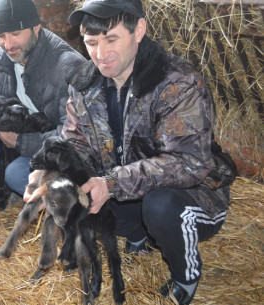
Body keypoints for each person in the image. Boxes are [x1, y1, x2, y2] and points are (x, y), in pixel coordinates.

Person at [26, 0, 237, 304]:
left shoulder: (176, 81)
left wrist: (110, 184)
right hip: (126, 186)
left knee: (159, 205)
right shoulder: (85, 84)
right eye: (91, 42)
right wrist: (51, 175)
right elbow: (75, 144)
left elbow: (190, 163)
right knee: (76, 188)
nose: (100, 54)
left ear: (138, 30)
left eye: (111, 39)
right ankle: (137, 235)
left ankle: (185, 273)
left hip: (193, 196)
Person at [0, 0, 94, 199]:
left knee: (15, 175)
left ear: (36, 27)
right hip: (17, 134)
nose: (8, 45)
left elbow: (77, 136)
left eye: (16, 34)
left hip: (51, 146)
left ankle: (66, 200)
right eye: (1, 36)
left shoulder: (69, 68)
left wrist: (22, 143)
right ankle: (8, 170)